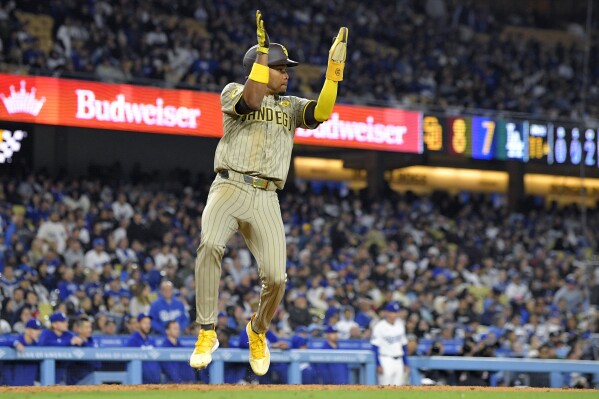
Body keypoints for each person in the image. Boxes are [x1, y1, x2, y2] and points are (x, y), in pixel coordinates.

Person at [190, 9, 348, 377]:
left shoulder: (290, 106)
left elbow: (322, 111)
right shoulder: (233, 90)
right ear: (261, 68)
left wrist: (333, 74)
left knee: (277, 277)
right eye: (280, 68)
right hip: (228, 185)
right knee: (210, 245)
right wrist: (261, 60)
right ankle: (207, 331)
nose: (286, 73)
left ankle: (257, 330)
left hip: (266, 196)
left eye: (285, 68)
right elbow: (251, 101)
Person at [38, 311, 84, 384]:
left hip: (63, 370)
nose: (66, 324)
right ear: (54, 324)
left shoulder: (68, 334)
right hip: (46, 369)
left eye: (66, 321)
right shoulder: (46, 333)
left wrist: (80, 342)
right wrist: (68, 343)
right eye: (63, 322)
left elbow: (81, 342)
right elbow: (44, 344)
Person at [371, 302, 409, 386]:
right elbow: (375, 347)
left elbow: (404, 345)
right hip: (385, 360)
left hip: (399, 361)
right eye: (392, 312)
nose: (394, 315)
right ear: (386, 313)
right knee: (385, 389)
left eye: (395, 312)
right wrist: (378, 364)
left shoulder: (400, 325)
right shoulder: (379, 327)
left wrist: (405, 363)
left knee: (398, 389)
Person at [126, 313, 161, 384]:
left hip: (155, 381)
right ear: (138, 324)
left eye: (149, 323)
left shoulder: (152, 340)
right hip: (139, 382)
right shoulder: (133, 340)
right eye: (144, 323)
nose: (147, 326)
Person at [9, 318, 43, 386]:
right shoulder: (17, 339)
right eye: (35, 329)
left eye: (39, 330)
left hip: (30, 383)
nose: (38, 332)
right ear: (27, 330)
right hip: (12, 382)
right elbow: (2, 340)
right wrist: (15, 343)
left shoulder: (37, 343)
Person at [66, 317, 101, 385]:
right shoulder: (73, 341)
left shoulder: (93, 342)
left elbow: (98, 364)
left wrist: (84, 344)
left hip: (93, 378)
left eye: (90, 327)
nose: (89, 330)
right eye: (87, 327)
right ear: (79, 329)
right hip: (76, 381)